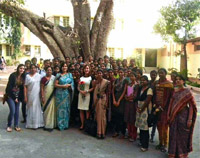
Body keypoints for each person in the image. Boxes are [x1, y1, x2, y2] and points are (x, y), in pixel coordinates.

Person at [167, 75, 197, 158]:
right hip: (174, 116)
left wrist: (190, 119)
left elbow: (191, 106)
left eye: (180, 79)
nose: (177, 81)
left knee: (182, 136)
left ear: (183, 81)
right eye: (176, 79)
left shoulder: (187, 92)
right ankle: (173, 153)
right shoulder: (174, 91)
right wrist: (169, 115)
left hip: (183, 116)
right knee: (173, 135)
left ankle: (182, 154)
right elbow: (171, 104)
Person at [154, 68, 173, 152]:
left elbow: (169, 98)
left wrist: (164, 107)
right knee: (158, 126)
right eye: (159, 73)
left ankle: (165, 144)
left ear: (165, 74)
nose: (160, 74)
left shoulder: (169, 85)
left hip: (165, 109)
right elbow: (154, 95)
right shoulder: (156, 83)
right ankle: (160, 142)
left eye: (162, 73)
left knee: (164, 127)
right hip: (157, 107)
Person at [5, 64, 25, 132]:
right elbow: (9, 88)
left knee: (17, 112)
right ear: (18, 68)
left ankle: (16, 125)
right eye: (20, 68)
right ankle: (9, 125)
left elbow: (22, 89)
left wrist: (19, 98)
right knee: (12, 111)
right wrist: (14, 98)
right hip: (10, 96)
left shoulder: (23, 77)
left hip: (18, 96)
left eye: (23, 69)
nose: (22, 70)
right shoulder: (13, 76)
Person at [135, 75, 153, 152]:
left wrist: (142, 109)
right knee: (140, 126)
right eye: (141, 80)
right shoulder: (140, 88)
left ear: (147, 81)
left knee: (145, 128)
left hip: (145, 109)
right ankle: (141, 142)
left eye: (144, 80)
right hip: (139, 108)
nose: (142, 82)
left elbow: (148, 100)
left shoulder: (149, 89)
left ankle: (145, 145)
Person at [55, 63, 74, 130]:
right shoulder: (58, 75)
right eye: (63, 66)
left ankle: (65, 125)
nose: (64, 67)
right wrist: (63, 86)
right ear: (61, 67)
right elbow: (55, 85)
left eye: (65, 66)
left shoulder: (69, 75)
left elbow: (72, 84)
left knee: (66, 109)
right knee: (60, 109)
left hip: (67, 94)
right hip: (59, 95)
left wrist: (69, 86)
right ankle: (60, 125)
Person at [24, 64, 44, 129]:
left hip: (37, 95)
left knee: (37, 108)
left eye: (34, 68)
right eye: (31, 68)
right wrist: (25, 96)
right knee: (30, 108)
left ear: (36, 69)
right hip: (30, 94)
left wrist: (42, 95)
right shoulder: (27, 76)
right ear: (29, 69)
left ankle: (37, 124)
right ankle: (30, 124)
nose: (33, 69)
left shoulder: (39, 76)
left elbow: (42, 86)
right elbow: (25, 86)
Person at [93, 69, 110, 139]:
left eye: (100, 73)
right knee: (97, 116)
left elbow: (108, 93)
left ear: (102, 74)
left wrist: (107, 102)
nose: (99, 74)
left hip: (103, 100)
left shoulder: (106, 82)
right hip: (96, 101)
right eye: (98, 73)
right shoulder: (95, 82)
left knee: (102, 117)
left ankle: (102, 133)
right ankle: (98, 132)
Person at [112, 68, 127, 138]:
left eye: (122, 72)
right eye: (119, 72)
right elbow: (113, 90)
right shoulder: (116, 80)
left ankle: (123, 132)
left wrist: (119, 101)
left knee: (122, 116)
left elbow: (124, 91)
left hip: (122, 99)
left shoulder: (125, 80)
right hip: (116, 97)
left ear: (124, 73)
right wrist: (114, 100)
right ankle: (116, 131)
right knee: (116, 116)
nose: (120, 74)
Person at [77, 65, 93, 130]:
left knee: (87, 110)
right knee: (81, 110)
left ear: (89, 69)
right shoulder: (81, 78)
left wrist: (86, 91)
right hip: (81, 95)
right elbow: (79, 86)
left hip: (87, 95)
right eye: (85, 68)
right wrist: (81, 91)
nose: (86, 69)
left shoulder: (91, 78)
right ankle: (82, 124)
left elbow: (93, 87)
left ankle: (87, 124)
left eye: (87, 68)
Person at [40, 66, 56, 131]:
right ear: (45, 71)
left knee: (52, 110)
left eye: (50, 70)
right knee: (46, 110)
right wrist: (42, 97)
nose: (49, 71)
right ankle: (46, 124)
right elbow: (42, 88)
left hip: (53, 96)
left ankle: (52, 125)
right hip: (46, 95)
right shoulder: (43, 79)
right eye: (48, 70)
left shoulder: (54, 78)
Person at [124, 72, 138, 142]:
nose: (131, 78)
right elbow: (126, 93)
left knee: (133, 119)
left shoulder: (137, 85)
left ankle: (133, 135)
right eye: (130, 76)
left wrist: (128, 98)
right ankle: (129, 133)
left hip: (133, 104)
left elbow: (135, 95)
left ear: (135, 77)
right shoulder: (129, 84)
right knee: (128, 119)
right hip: (128, 104)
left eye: (133, 76)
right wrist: (126, 97)